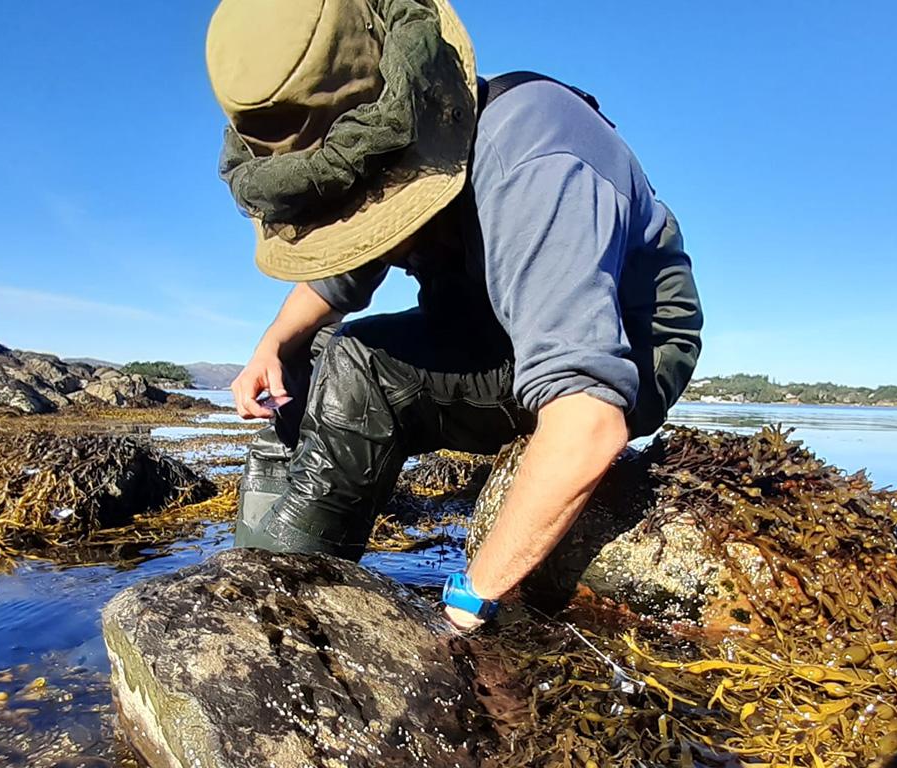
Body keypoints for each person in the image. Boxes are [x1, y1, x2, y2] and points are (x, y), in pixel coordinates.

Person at [206, 0, 703, 632]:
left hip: (625, 354)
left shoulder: (534, 158)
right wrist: (273, 344)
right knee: (314, 363)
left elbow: (588, 421)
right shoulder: (417, 145)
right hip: (487, 332)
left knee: (362, 368)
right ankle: (276, 571)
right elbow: (344, 271)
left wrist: (469, 600)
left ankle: (288, 617)